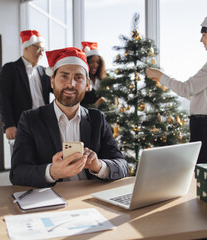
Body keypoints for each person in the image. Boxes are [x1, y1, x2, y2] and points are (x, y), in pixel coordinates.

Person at [10, 47, 128, 188]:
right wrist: (52, 172)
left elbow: (122, 166)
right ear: (52, 81)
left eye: (78, 77)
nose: (70, 84)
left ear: (87, 85)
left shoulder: (97, 119)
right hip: (51, 198)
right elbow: (17, 173)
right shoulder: (30, 120)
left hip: (89, 197)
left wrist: (98, 165)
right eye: (64, 76)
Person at [146, 6, 207, 164]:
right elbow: (193, 93)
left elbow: (187, 88)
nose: (201, 40)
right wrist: (163, 81)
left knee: (199, 175)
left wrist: (160, 75)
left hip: (205, 127)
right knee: (199, 173)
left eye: (204, 34)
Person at [0, 30, 52, 141]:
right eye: (38, 48)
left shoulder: (45, 72)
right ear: (26, 47)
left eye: (43, 50)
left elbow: (59, 91)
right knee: (22, 157)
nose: (41, 53)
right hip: (20, 125)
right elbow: (3, 98)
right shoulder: (10, 69)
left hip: (43, 124)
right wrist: (9, 124)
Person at [80, 41, 106, 107]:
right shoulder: (81, 81)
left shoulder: (104, 79)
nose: (95, 65)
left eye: (97, 62)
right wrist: (96, 104)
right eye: (91, 62)